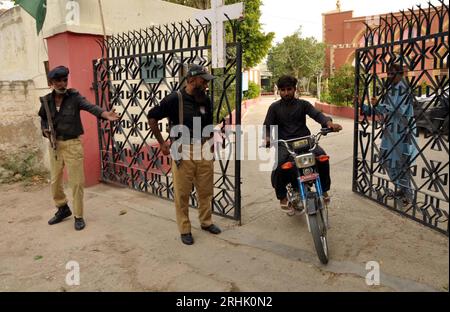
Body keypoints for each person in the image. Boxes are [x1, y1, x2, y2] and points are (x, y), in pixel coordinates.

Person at [147, 64, 221, 245]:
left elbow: (209, 124)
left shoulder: (205, 100)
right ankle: (185, 228)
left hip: (203, 148)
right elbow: (152, 117)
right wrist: (162, 142)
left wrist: (211, 145)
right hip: (182, 150)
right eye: (203, 81)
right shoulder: (174, 99)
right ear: (190, 80)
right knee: (182, 193)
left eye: (206, 82)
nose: (205, 85)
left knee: (205, 189)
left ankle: (206, 221)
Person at [38, 66, 119, 230]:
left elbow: (90, 107)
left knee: (76, 183)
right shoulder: (46, 101)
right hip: (54, 145)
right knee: (55, 181)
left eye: (64, 80)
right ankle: (62, 208)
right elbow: (43, 119)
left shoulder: (74, 97)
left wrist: (104, 114)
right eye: (58, 81)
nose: (62, 84)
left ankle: (78, 215)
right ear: (51, 83)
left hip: (72, 144)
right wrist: (46, 131)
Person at [263, 75, 342, 213]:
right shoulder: (274, 108)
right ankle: (282, 197)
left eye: (289, 89)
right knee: (279, 166)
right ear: (279, 91)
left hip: (305, 140)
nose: (286, 93)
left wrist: (329, 124)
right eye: (283, 90)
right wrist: (267, 138)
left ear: (295, 89)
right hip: (285, 144)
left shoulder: (303, 104)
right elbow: (267, 126)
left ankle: (323, 190)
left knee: (322, 157)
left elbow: (317, 115)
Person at [361, 63, 418, 206]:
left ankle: (407, 194)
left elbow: (399, 110)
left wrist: (378, 105)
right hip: (391, 130)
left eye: (392, 74)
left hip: (402, 131)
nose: (389, 76)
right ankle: (402, 189)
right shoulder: (391, 89)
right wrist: (368, 106)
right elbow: (384, 111)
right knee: (386, 159)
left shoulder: (405, 89)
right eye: (388, 73)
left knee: (401, 163)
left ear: (400, 74)